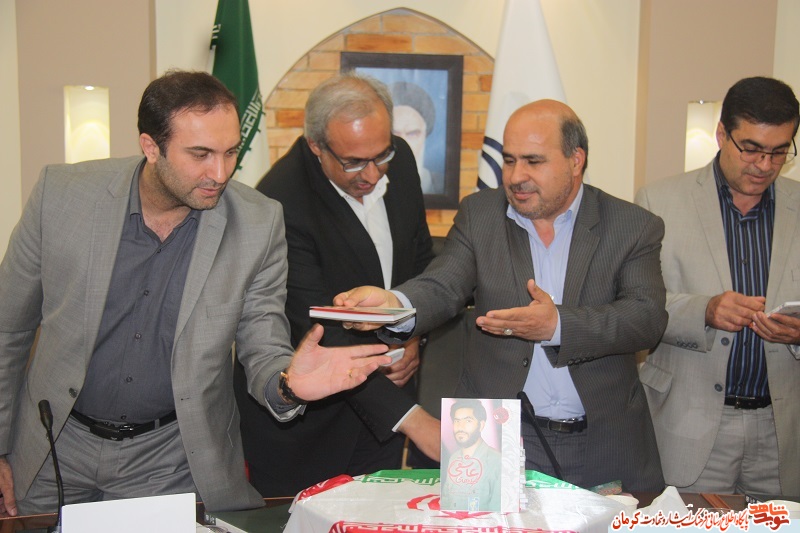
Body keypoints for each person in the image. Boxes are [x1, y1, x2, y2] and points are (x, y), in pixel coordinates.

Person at [0, 70, 392, 517]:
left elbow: (263, 344)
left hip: (167, 458)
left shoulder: (258, 222)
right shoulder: (62, 196)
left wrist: (289, 386)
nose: (220, 174)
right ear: (151, 147)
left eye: (230, 152)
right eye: (201, 154)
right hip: (53, 446)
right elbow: (7, 330)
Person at [336, 99, 667, 491]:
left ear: (576, 160)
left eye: (533, 161)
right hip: (494, 438)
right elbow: (442, 285)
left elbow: (646, 317)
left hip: (602, 441)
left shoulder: (631, 225)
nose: (516, 176)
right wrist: (394, 305)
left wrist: (558, 326)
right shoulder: (481, 214)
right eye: (509, 160)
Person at [233, 73, 440, 497]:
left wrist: (411, 334)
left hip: (384, 418)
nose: (372, 174)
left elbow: (420, 262)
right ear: (316, 145)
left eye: (381, 155)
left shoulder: (398, 159)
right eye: (353, 162)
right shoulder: (279, 202)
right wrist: (415, 421)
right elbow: (319, 329)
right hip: (309, 433)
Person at [635, 76, 800, 496]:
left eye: (779, 151)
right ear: (722, 134)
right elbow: (637, 307)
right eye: (751, 148)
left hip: (782, 431)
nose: (764, 165)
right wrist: (704, 311)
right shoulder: (659, 202)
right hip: (689, 425)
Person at [441, 399, 501, 512]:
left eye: (468, 421)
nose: (460, 427)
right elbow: (445, 503)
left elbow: (497, 511)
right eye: (457, 421)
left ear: (481, 425)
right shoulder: (453, 458)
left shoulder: (497, 461)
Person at [390, 81, 444, 195]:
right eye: (395, 134)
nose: (403, 142)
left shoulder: (439, 184)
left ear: (425, 135)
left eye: (412, 134)